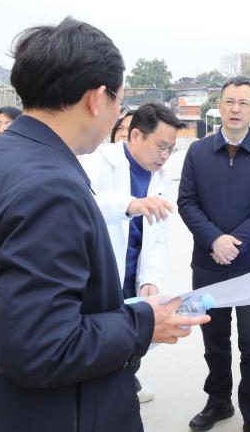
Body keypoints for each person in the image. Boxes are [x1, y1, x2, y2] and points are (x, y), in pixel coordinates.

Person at [0, 18, 208, 432]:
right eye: (119, 101)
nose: (118, 114)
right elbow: (43, 348)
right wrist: (145, 323)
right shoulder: (50, 189)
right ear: (96, 99)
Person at [178, 76, 250, 432]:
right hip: (208, 264)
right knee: (214, 341)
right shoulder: (198, 152)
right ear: (219, 106)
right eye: (229, 101)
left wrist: (233, 243)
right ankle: (219, 402)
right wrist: (214, 240)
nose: (235, 109)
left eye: (243, 103)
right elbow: (187, 202)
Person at [80, 102, 185, 403]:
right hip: (100, 275)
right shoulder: (99, 162)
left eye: (171, 150)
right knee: (99, 344)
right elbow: (81, 200)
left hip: (132, 277)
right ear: (136, 136)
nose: (165, 156)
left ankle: (125, 388)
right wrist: (129, 204)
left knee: (132, 340)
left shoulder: (160, 177)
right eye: (161, 147)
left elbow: (159, 237)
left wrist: (150, 278)